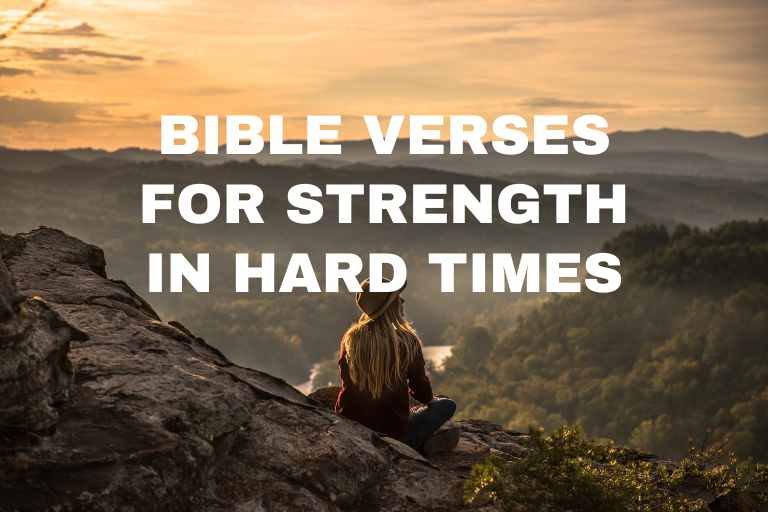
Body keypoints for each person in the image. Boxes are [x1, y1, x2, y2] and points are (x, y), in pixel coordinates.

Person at [334, 278, 458, 455]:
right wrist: (431, 401)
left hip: (352, 426)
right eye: (397, 297)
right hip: (394, 432)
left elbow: (346, 382)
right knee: (446, 404)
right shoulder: (407, 341)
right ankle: (415, 445)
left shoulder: (351, 339)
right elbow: (420, 388)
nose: (402, 300)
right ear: (389, 305)